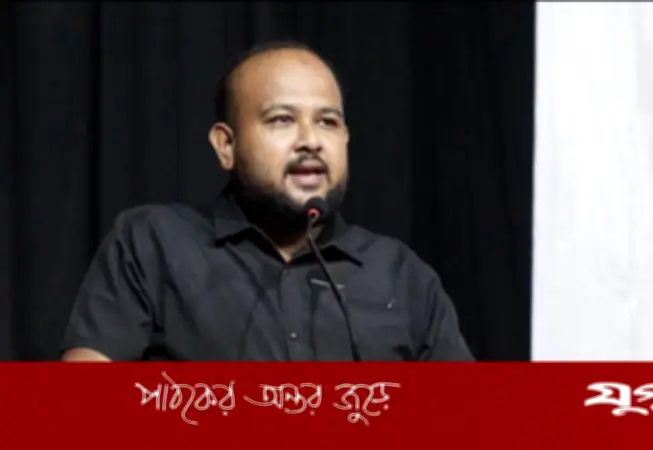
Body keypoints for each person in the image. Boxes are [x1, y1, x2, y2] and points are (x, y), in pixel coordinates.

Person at [60, 41, 474, 362]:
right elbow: (77, 409)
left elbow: (470, 421)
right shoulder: (154, 244)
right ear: (226, 146)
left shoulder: (402, 276)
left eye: (327, 122)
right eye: (282, 119)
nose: (311, 140)